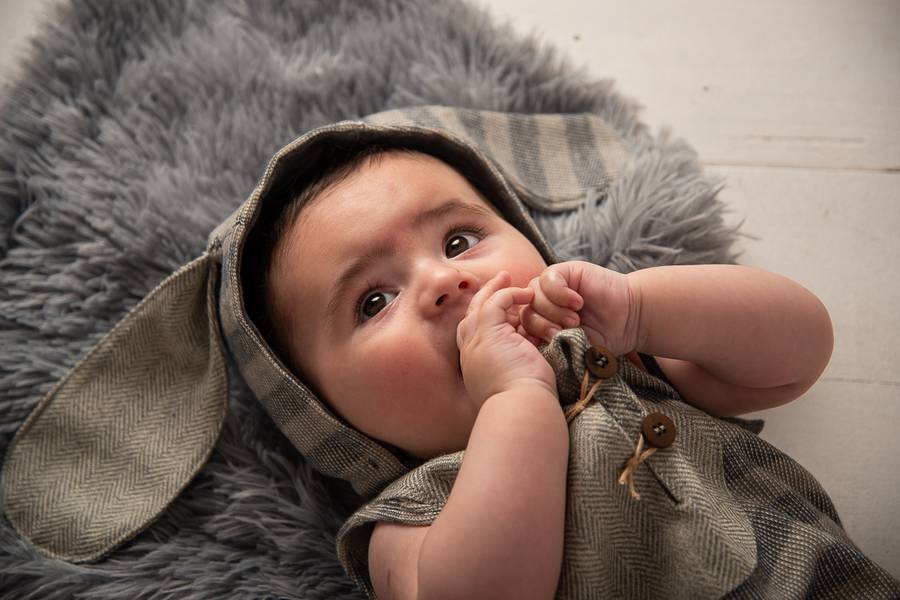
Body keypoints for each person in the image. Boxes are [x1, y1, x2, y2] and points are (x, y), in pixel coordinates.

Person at [243, 137, 896, 599]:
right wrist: (516, 399)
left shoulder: (621, 363)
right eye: (374, 301)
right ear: (324, 412)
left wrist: (642, 308)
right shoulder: (408, 525)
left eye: (458, 241)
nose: (445, 280)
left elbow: (798, 352)